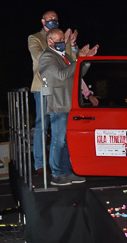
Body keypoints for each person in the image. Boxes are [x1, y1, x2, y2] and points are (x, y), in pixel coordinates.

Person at [28, 11, 98, 175]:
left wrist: (73, 46)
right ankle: (40, 163)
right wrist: (59, 43)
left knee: (62, 133)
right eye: (50, 19)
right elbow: (42, 57)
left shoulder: (62, 39)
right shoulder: (35, 38)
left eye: (56, 19)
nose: (53, 20)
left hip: (63, 92)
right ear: (43, 21)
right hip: (43, 87)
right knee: (42, 125)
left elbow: (71, 63)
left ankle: (64, 169)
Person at [39, 28, 95, 186]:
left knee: (67, 142)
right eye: (59, 40)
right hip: (58, 104)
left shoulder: (66, 56)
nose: (63, 42)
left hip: (70, 105)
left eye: (63, 39)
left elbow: (79, 73)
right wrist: (78, 60)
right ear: (50, 41)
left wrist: (85, 60)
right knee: (58, 141)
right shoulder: (47, 57)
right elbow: (62, 75)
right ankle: (56, 174)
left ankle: (68, 172)